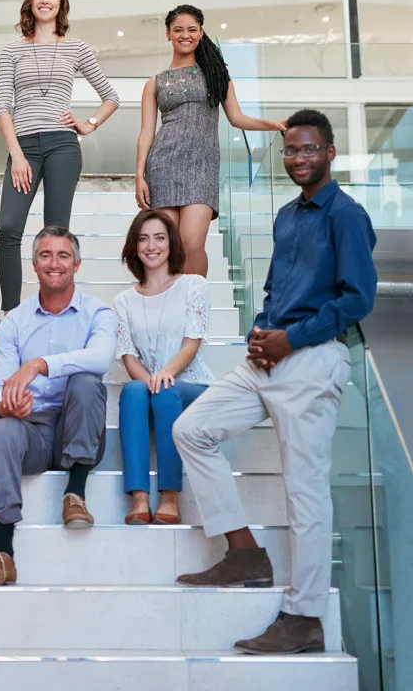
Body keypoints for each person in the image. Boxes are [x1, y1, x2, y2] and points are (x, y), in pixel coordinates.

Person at [172, 109, 377, 655]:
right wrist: (262, 331)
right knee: (191, 428)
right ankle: (244, 552)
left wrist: (294, 338)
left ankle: (305, 616)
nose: (298, 158)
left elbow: (358, 297)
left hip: (313, 360)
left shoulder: (347, 215)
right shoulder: (286, 215)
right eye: (290, 150)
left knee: (304, 491)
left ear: (329, 154)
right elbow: (271, 288)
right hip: (269, 357)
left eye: (308, 149)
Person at [0, 226, 116, 587]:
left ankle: (75, 493)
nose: (55, 264)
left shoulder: (99, 312)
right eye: (46, 256)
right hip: (31, 431)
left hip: (76, 425)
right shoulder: (15, 321)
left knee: (85, 382)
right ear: (34, 264)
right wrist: (6, 407)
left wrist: (40, 364)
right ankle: (3, 553)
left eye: (63, 256)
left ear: (77, 264)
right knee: (1, 431)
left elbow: (100, 359)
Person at [0, 0, 120, 312]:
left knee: (55, 233)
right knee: (9, 229)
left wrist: (88, 124)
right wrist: (16, 155)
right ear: (30, 2)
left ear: (61, 3)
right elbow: (3, 106)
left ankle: (53, 309)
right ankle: (11, 313)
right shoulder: (11, 51)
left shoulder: (76, 48)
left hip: (62, 145)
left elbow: (111, 96)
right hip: (24, 147)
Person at [135, 3, 286, 278]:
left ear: (201, 33)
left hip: (202, 166)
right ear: (168, 33)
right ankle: (170, 311)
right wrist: (139, 175)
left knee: (192, 244)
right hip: (163, 165)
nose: (185, 34)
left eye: (192, 29)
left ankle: (195, 313)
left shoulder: (217, 76)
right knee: (167, 246)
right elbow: (146, 132)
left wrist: (272, 124)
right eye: (178, 29)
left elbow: (237, 118)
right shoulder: (154, 83)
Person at [114, 210, 212, 525]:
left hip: (192, 385)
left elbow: (192, 343)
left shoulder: (193, 285)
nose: (151, 246)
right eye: (143, 238)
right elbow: (129, 358)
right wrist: (152, 381)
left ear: (171, 244)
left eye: (159, 237)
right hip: (153, 387)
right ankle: (139, 497)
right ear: (134, 246)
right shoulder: (123, 300)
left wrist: (165, 375)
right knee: (132, 391)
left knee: (165, 391)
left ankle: (170, 497)